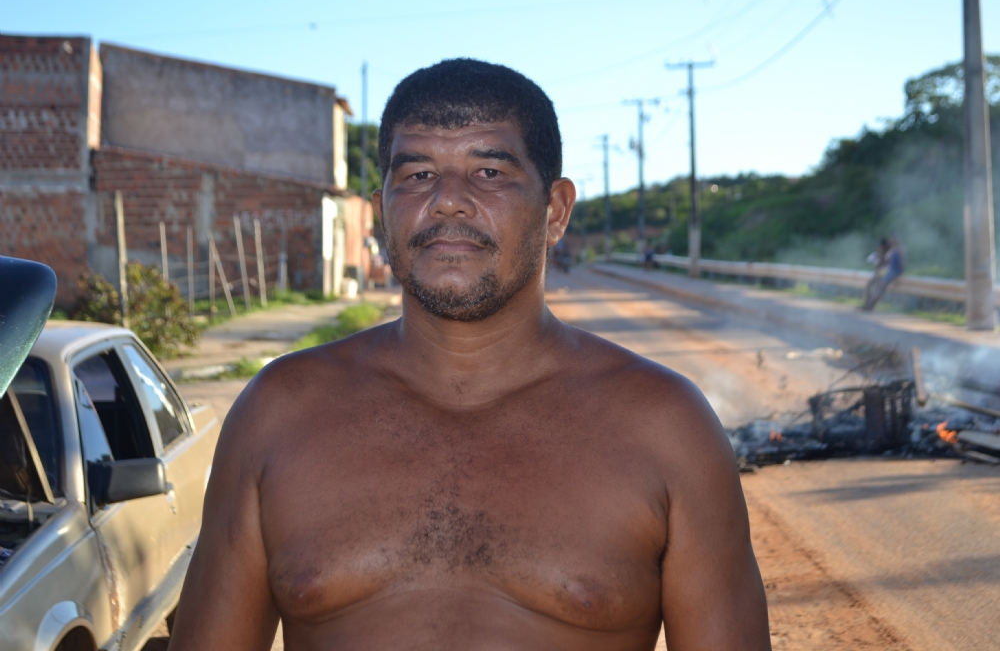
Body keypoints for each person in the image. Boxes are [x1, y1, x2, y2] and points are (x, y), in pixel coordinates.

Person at [168, 59, 770, 651]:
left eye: (488, 171)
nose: (448, 201)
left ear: (555, 210)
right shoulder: (279, 411)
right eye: (418, 175)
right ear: (382, 210)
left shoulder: (666, 427)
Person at [863, 237, 904, 311]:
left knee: (879, 289)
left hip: (889, 272)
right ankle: (868, 305)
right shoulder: (890, 250)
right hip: (885, 272)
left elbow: (899, 262)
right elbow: (882, 264)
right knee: (874, 287)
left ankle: (869, 306)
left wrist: (900, 272)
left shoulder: (896, 250)